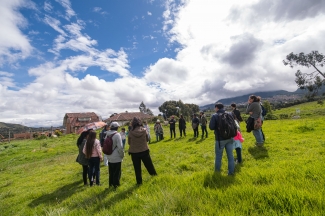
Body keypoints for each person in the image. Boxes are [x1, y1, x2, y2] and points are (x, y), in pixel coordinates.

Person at [128, 117, 157, 185]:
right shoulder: (144, 130)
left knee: (137, 168)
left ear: (133, 124)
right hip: (144, 150)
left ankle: (139, 182)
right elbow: (147, 139)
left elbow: (129, 143)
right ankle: (154, 176)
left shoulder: (130, 132)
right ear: (140, 123)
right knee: (149, 165)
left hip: (134, 152)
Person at [209, 103, 235, 175]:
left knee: (218, 156)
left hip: (220, 139)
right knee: (230, 156)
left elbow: (211, 127)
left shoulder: (215, 115)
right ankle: (231, 172)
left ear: (217, 108)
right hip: (230, 137)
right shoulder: (230, 114)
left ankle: (217, 172)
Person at [106, 122, 124, 188]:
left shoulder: (107, 134)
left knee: (111, 172)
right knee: (117, 172)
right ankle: (116, 185)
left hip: (109, 156)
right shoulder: (117, 135)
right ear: (117, 127)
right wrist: (122, 155)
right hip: (116, 156)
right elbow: (120, 147)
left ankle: (110, 184)